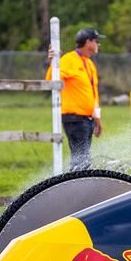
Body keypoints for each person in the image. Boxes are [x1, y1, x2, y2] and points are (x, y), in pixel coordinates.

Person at [46, 27, 103, 170]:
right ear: (88, 42)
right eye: (96, 41)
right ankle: (77, 186)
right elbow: (51, 80)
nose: (98, 45)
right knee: (81, 159)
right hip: (74, 119)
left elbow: (93, 92)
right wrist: (53, 61)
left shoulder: (89, 63)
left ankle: (80, 184)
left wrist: (97, 117)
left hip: (87, 119)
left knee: (84, 158)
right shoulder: (68, 59)